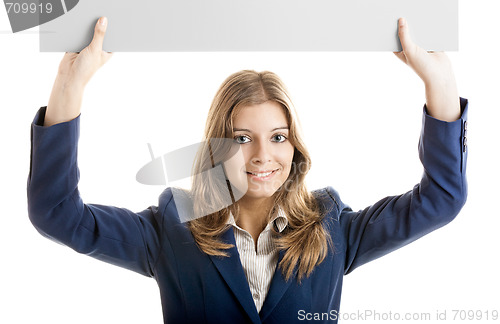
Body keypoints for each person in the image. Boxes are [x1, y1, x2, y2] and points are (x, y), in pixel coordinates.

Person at [27, 16, 468, 324]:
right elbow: (57, 213)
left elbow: (441, 199)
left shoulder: (331, 227)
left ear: (294, 145)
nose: (262, 155)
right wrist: (70, 84)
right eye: (241, 138)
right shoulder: (171, 229)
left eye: (278, 136)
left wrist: (439, 84)